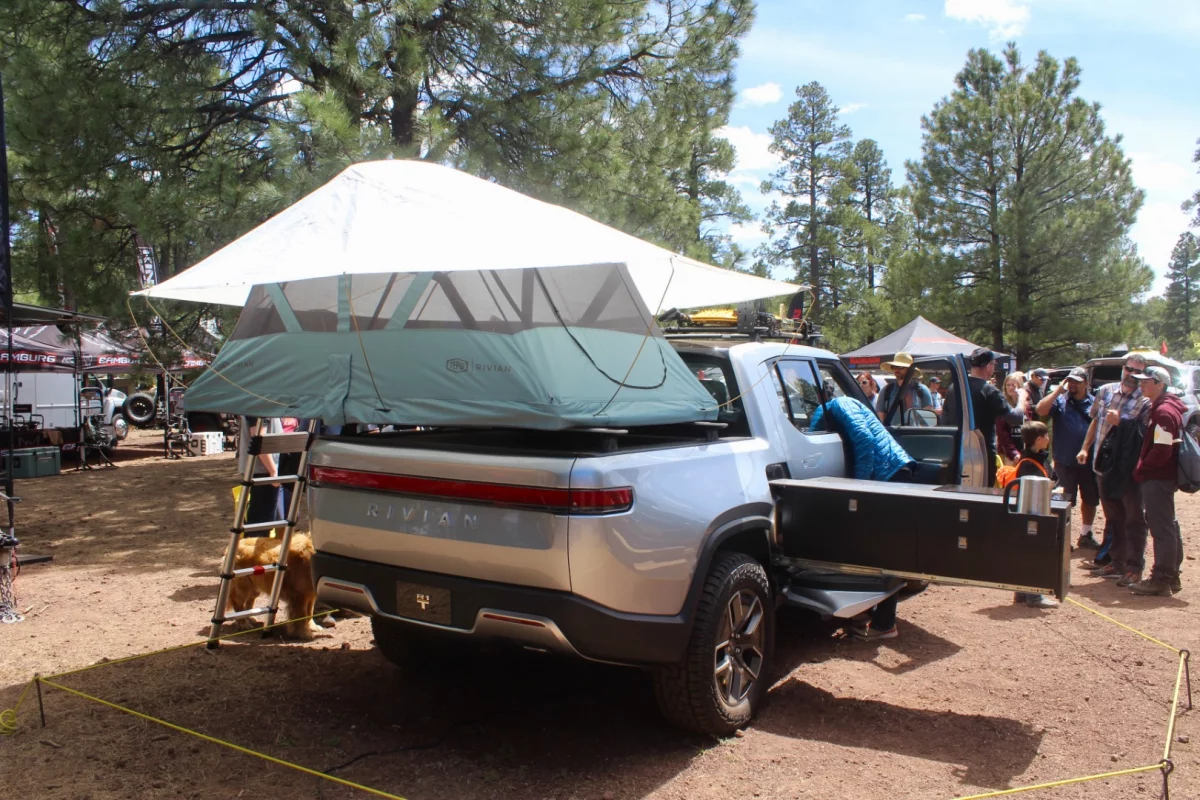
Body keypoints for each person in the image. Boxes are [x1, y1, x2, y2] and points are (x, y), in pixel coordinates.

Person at [1077, 353, 1151, 583]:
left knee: (1134, 519)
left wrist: (1123, 422)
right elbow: (1095, 421)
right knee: (1113, 518)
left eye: (1138, 372)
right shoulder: (1106, 391)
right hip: (1104, 465)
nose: (1132, 376)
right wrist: (1085, 448)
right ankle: (1116, 562)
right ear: (1123, 369)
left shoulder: (1145, 400)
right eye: (1129, 369)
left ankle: (1134, 567)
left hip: (1127, 471)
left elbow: (1144, 435)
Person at [1128, 367, 1186, 596]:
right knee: (1169, 525)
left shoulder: (1163, 412)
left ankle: (1162, 579)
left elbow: (1162, 450)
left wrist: (1142, 469)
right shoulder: (1165, 407)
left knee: (1162, 528)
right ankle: (1172, 577)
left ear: (1160, 384)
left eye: (1147, 382)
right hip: (1163, 476)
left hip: (1158, 477)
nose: (1142, 385)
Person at [1035, 367, 1100, 549]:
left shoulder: (1095, 403)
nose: (1072, 385)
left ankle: (1086, 534)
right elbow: (1040, 408)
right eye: (1070, 381)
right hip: (1064, 461)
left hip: (1088, 462)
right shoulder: (1060, 401)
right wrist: (1058, 390)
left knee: (1090, 499)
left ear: (1086, 383)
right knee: (1063, 501)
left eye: (1077, 382)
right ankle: (1061, 537)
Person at [808, 396, 923, 482]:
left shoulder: (841, 404)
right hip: (888, 467)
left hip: (890, 468)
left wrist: (860, 483)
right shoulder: (839, 409)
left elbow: (865, 439)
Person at [1010, 421, 1060, 608]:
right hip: (1032, 514)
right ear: (1038, 439)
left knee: (1028, 551)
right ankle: (1034, 596)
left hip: (1036, 511)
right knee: (1036, 551)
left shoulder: (1039, 457)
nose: (1048, 439)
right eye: (1046, 436)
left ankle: (1022, 594)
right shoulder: (1028, 464)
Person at [967, 347, 1026, 487]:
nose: (994, 368)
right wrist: (1022, 398)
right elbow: (1015, 418)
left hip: (960, 451)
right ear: (988, 366)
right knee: (983, 494)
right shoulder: (989, 391)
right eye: (994, 364)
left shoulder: (954, 388)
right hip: (982, 453)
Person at [877, 352, 934, 422]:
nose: (896, 370)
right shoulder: (886, 390)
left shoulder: (922, 390)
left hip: (913, 432)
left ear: (910, 369)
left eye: (900, 367)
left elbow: (926, 422)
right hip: (892, 433)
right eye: (894, 367)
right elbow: (881, 420)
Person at [996, 371, 1030, 465]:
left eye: (1013, 385)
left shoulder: (1026, 405)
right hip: (1008, 453)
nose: (1010, 388)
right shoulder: (1003, 405)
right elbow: (1002, 433)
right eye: (1008, 385)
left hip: (1024, 449)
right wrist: (1013, 453)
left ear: (1020, 386)